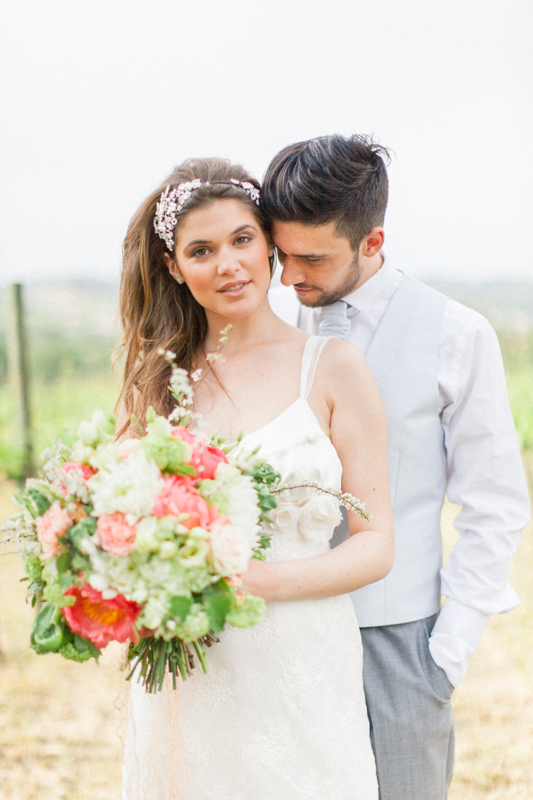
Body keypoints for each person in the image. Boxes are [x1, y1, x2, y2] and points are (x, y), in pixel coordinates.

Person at [262, 133, 531, 800]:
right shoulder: (263, 329)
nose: (290, 277)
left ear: (372, 242)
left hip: (396, 646)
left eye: (312, 258)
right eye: (281, 255)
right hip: (273, 638)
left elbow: (495, 503)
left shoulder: (456, 334)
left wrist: (443, 658)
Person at [116, 157, 394, 799]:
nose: (229, 264)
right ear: (173, 267)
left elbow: (376, 545)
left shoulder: (334, 367)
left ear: (269, 244)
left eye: (242, 239)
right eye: (202, 250)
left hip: (300, 656)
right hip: (190, 657)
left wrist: (257, 581)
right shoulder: (157, 382)